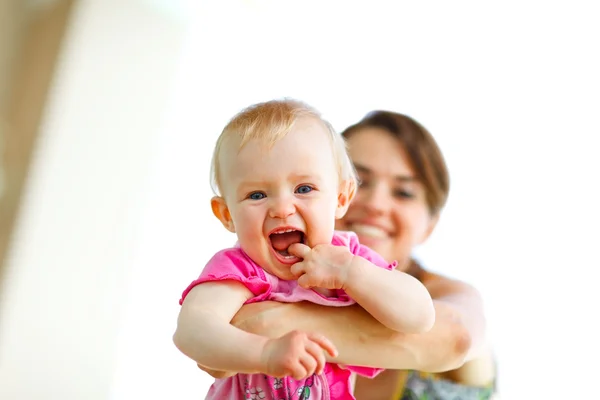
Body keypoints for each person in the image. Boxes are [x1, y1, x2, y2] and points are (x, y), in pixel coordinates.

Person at [173, 100, 437, 400]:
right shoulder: (241, 269)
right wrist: (266, 352)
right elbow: (192, 330)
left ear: (341, 197)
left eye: (304, 189)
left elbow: (419, 316)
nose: (283, 209)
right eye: (257, 194)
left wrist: (352, 273)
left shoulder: (348, 258)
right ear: (227, 214)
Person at [226, 110, 497, 399]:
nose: (375, 204)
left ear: (430, 226)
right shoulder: (262, 278)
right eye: (360, 182)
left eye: (404, 192)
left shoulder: (445, 293)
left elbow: (456, 339)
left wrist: (264, 326)